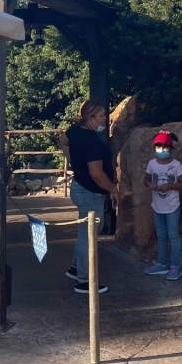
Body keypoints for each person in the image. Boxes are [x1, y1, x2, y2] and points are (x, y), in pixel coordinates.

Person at [65, 99, 118, 294]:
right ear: (90, 118)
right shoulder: (92, 141)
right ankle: (84, 280)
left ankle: (75, 268)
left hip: (81, 186)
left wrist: (74, 161)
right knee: (88, 236)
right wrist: (113, 189)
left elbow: (63, 140)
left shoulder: (75, 131)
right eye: (102, 115)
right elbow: (97, 174)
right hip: (90, 191)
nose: (105, 119)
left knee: (87, 233)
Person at [142, 131, 182, 281]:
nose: (161, 149)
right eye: (158, 146)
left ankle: (175, 266)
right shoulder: (152, 164)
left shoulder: (176, 165)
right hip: (157, 206)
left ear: (170, 148)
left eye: (165, 147)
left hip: (172, 206)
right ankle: (161, 264)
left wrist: (170, 186)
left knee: (173, 235)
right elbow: (145, 180)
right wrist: (150, 184)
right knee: (161, 235)